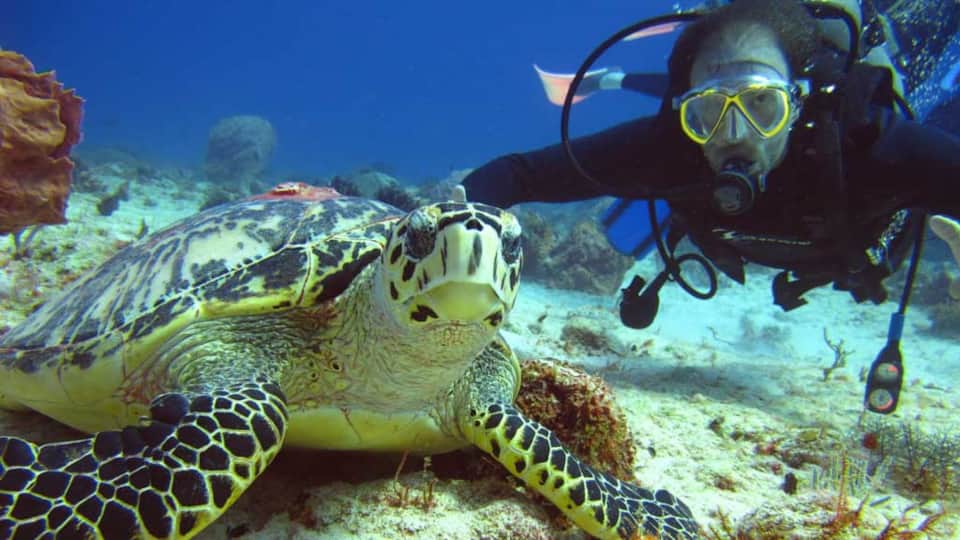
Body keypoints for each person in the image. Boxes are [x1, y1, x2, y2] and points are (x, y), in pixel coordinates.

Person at [461, 0, 960, 414]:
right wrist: (451, 234)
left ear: (799, 102)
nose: (736, 134)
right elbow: (514, 175)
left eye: (764, 105)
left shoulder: (870, 146)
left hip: (865, 245)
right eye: (708, 113)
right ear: (686, 115)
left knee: (936, 94)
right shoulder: (668, 148)